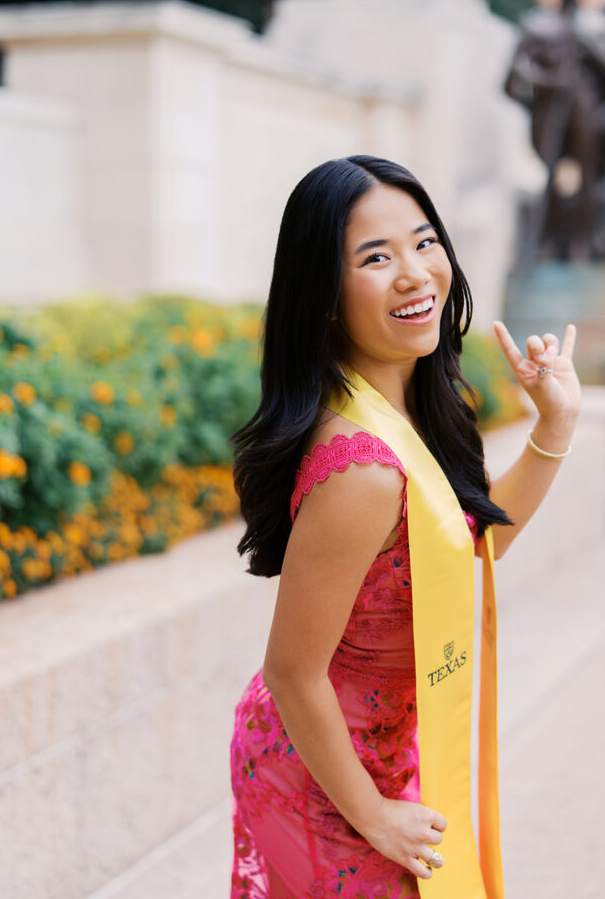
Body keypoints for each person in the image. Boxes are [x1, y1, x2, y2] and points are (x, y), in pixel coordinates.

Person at [228, 155, 580, 897]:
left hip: (389, 751)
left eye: (424, 243)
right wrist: (374, 815)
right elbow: (291, 673)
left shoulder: (414, 407)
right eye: (376, 257)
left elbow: (464, 550)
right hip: (323, 774)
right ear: (323, 292)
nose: (416, 274)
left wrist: (555, 426)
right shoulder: (363, 468)